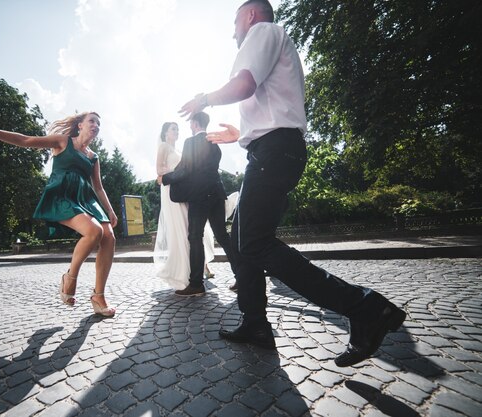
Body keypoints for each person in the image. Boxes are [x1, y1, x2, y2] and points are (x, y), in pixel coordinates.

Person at [178, 0, 406, 367]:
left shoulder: (262, 31)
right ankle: (255, 322)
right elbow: (271, 107)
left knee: (253, 240)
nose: (232, 29)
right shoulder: (273, 40)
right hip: (272, 150)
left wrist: (205, 98)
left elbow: (245, 85)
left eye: (235, 20)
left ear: (250, 14)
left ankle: (365, 307)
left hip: (275, 151)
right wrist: (244, 134)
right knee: (244, 239)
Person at [0, 112, 117, 317]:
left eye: (99, 123)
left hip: (87, 199)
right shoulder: (62, 141)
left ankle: (98, 295)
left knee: (109, 237)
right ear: (79, 125)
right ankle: (70, 278)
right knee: (94, 231)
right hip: (63, 197)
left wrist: (110, 210)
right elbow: (25, 140)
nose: (96, 125)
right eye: (92, 121)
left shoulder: (94, 157)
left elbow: (99, 187)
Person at [160, 112, 237, 296]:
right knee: (223, 236)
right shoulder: (214, 142)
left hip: (200, 197)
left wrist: (165, 178)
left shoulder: (190, 142)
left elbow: (186, 169)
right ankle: (243, 276)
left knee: (195, 236)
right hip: (217, 194)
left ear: (194, 123)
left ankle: (196, 284)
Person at [154, 122, 216, 290]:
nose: (176, 131)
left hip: (185, 191)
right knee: (180, 227)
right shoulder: (164, 148)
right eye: (173, 129)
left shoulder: (180, 150)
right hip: (171, 191)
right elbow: (159, 170)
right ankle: (183, 270)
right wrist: (174, 174)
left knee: (189, 228)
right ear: (165, 132)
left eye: (178, 129)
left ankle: (194, 268)